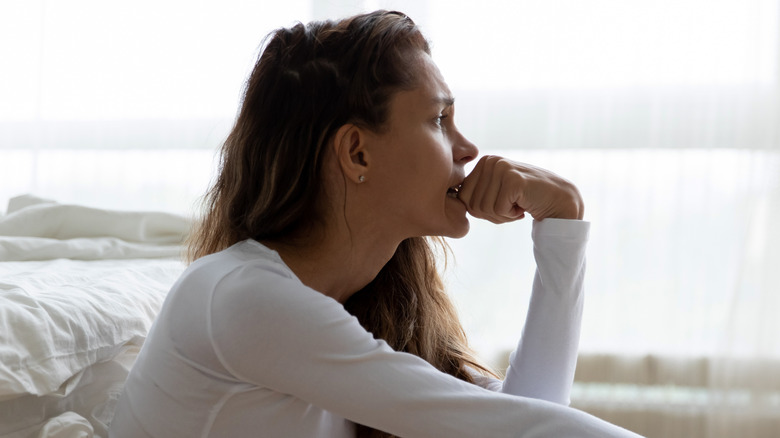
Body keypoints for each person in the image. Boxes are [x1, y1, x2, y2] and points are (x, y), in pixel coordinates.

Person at [110, 10, 641, 438]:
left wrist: (563, 221)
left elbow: (526, 416)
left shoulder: (358, 306)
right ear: (357, 153)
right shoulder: (240, 297)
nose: (468, 149)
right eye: (438, 119)